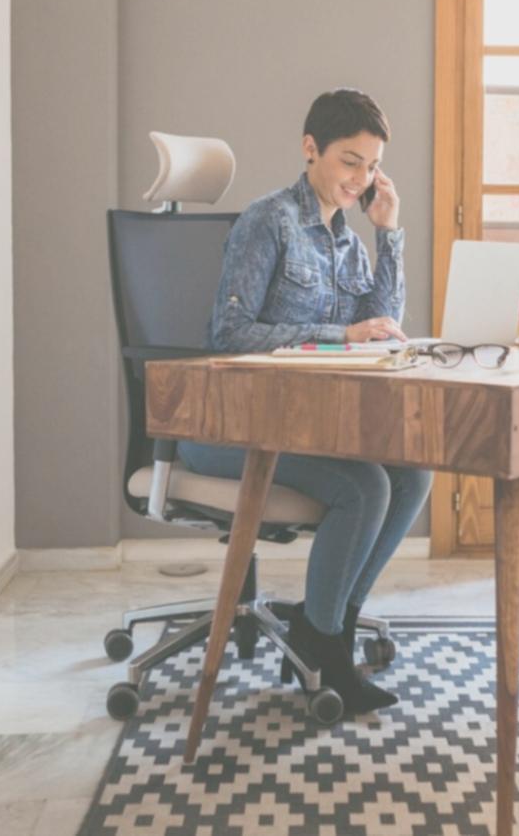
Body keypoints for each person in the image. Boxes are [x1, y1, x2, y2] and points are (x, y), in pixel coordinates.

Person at [177, 88, 432, 717]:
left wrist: (389, 235)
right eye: (350, 161)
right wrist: (337, 335)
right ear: (310, 149)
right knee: (365, 487)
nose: (361, 179)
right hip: (232, 427)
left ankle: (329, 624)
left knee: (411, 472)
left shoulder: (345, 239)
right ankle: (324, 646)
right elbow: (229, 336)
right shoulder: (269, 222)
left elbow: (384, 324)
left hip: (300, 427)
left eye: (372, 167)